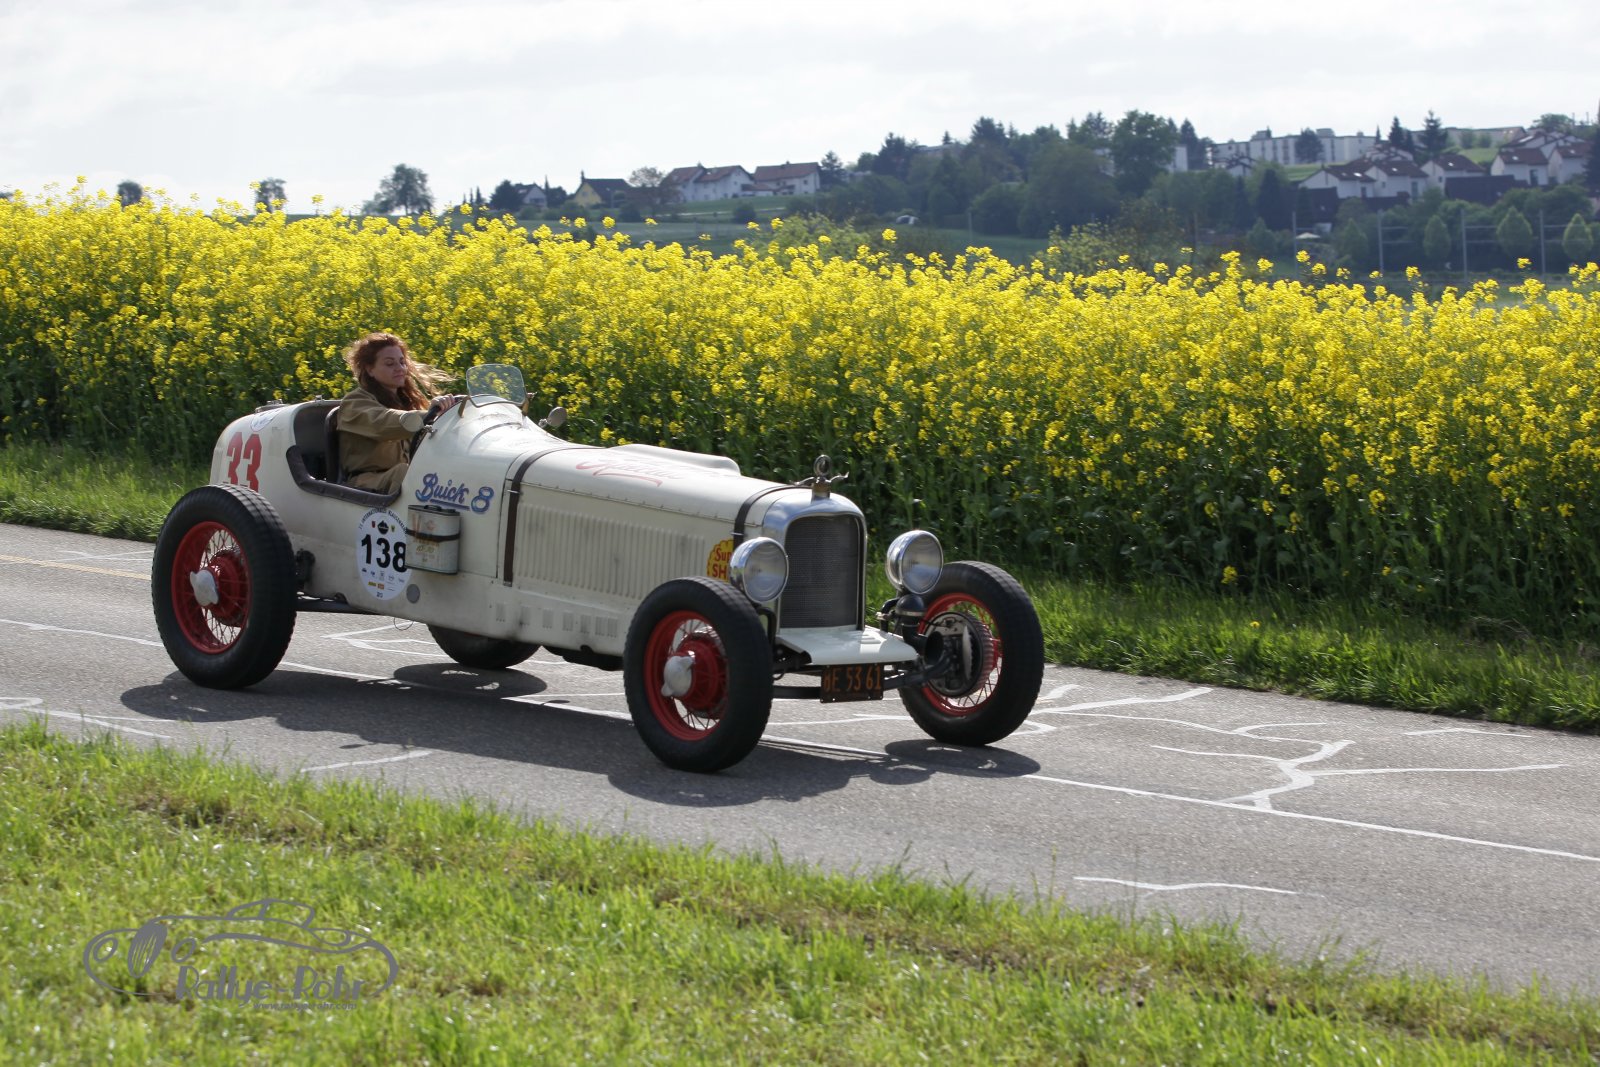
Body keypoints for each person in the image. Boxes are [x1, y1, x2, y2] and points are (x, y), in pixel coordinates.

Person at [337, 332, 456, 493]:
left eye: (402, 362)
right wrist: (428, 415)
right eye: (389, 363)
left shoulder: (405, 402)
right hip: (366, 484)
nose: (399, 368)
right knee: (405, 472)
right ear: (370, 369)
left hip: (400, 479)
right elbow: (383, 422)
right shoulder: (355, 403)